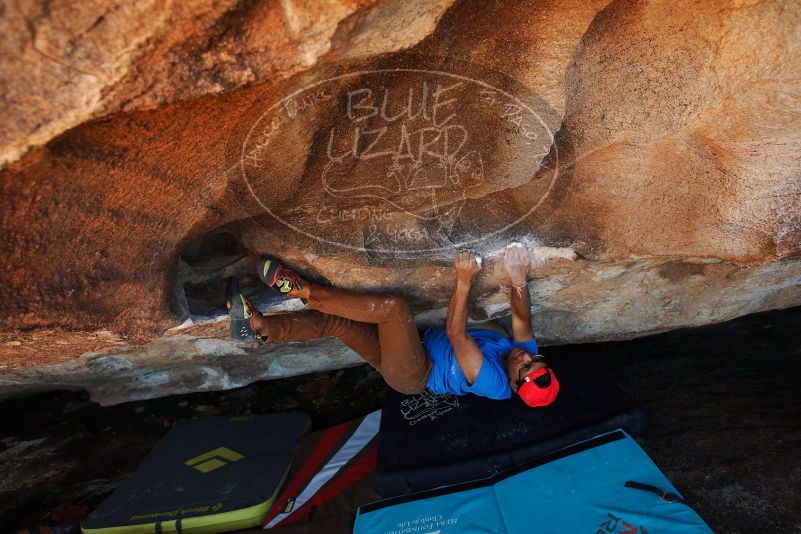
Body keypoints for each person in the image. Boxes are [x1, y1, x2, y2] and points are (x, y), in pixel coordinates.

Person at [226, 243, 559, 407]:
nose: (524, 358)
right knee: (336, 324)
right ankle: (258, 328)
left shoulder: (493, 383)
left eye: (523, 368)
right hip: (414, 349)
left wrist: (463, 281)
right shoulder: (523, 352)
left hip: (416, 372)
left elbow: (456, 334)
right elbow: (521, 320)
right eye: (534, 359)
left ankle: (301, 289)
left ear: (514, 387)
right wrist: (518, 280)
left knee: (393, 310)